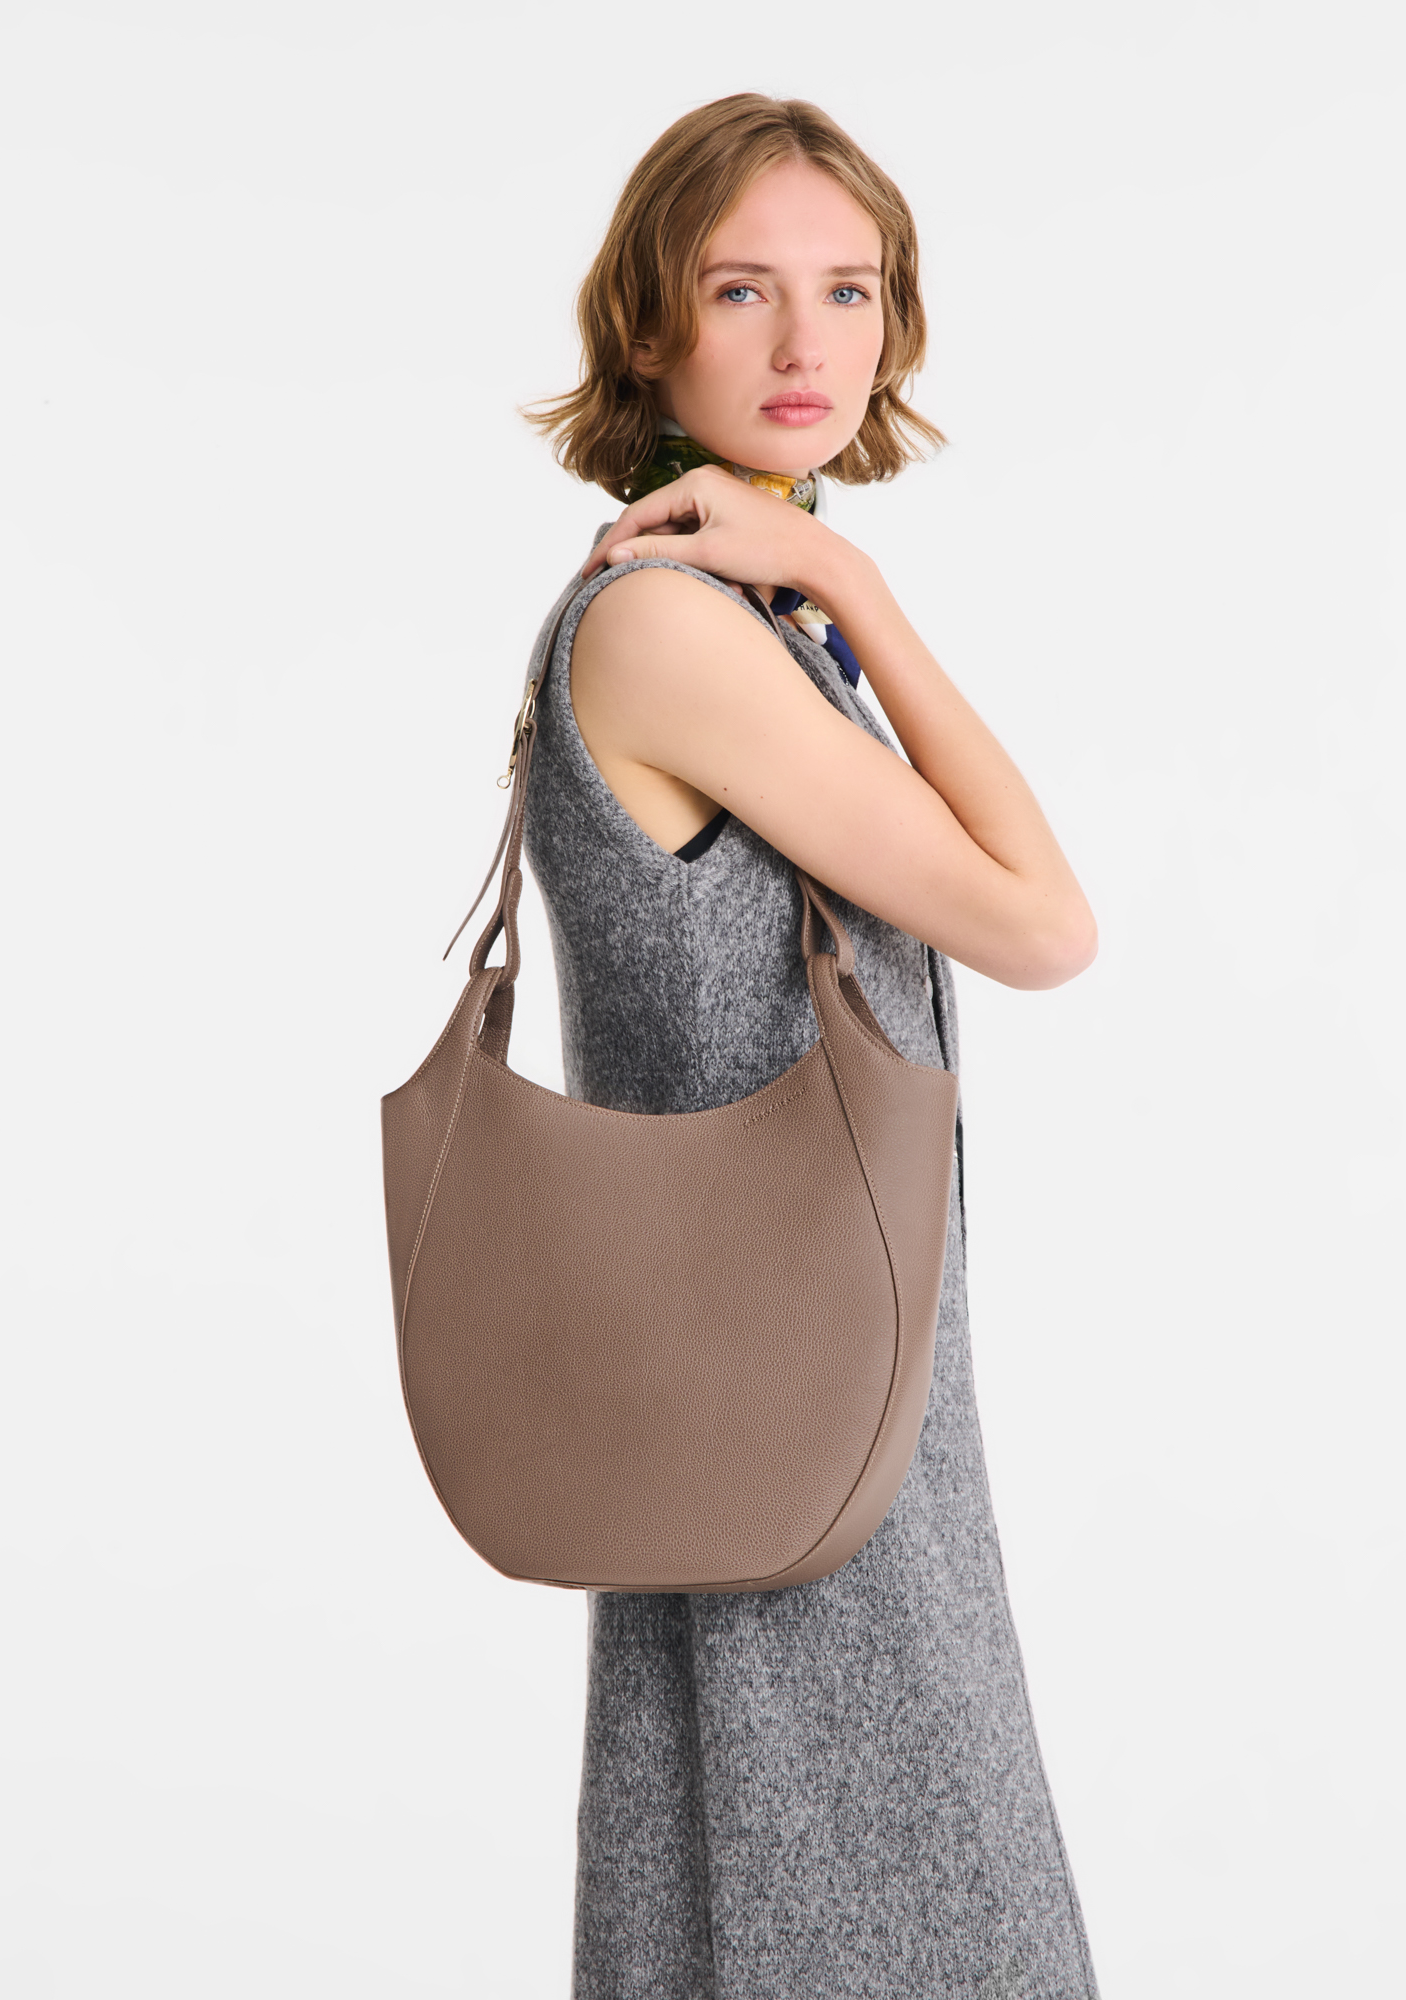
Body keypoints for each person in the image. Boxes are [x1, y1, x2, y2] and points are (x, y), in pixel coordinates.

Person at [519, 93, 1100, 1997]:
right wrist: (856, 583)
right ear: (649, 328)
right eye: (741, 289)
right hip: (780, 1407)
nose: (805, 342)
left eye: (848, 290)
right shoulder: (676, 631)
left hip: (809, 1390)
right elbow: (1041, 922)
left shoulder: (756, 625)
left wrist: (829, 585)